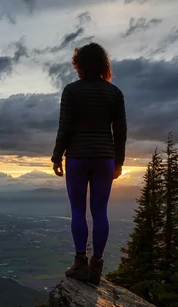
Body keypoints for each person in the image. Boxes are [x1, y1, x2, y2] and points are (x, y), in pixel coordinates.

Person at [51, 42, 127, 285]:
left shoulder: (72, 91)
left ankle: (80, 264)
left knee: (77, 210)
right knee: (100, 211)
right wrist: (119, 161)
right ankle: (97, 267)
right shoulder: (114, 93)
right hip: (105, 158)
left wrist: (56, 155)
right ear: (104, 64)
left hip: (77, 157)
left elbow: (65, 128)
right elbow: (121, 131)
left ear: (79, 66)